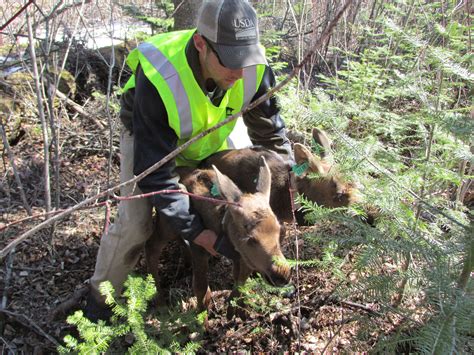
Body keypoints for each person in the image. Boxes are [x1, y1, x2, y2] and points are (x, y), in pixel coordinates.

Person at [85, 0, 292, 320]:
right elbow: (156, 174)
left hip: (210, 128)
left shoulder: (252, 68)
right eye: (230, 62)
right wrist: (196, 231)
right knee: (136, 224)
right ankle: (99, 300)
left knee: (247, 181)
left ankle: (240, 264)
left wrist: (288, 184)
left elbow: (272, 137)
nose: (240, 72)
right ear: (201, 44)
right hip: (150, 137)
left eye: (246, 61)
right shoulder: (160, 75)